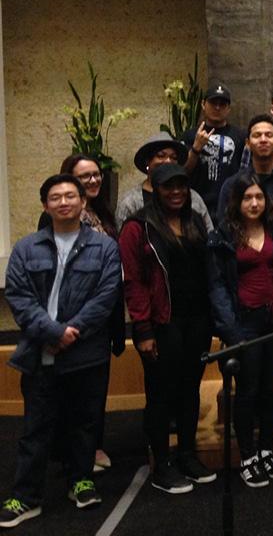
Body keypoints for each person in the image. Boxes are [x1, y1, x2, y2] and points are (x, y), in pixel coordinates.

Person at [0, 175, 122, 527]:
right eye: (56, 197)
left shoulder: (104, 248)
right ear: (45, 205)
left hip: (86, 353)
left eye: (71, 195)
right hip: (41, 352)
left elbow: (106, 297)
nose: (64, 201)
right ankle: (26, 496)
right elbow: (19, 298)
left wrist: (73, 332)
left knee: (85, 424)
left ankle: (81, 481)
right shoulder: (26, 248)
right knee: (35, 429)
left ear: (84, 203)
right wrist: (53, 331)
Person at [119, 164, 219, 494]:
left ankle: (188, 455)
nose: (176, 192)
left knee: (190, 390)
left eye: (181, 186)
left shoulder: (194, 222)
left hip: (197, 321)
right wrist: (143, 330)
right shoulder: (139, 227)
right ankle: (162, 463)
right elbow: (133, 281)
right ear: (155, 190)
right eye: (168, 187)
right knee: (161, 395)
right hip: (162, 323)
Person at [208, 173, 273, 487]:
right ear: (237, 201)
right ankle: (247, 453)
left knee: (272, 388)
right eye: (247, 198)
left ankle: (266, 449)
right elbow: (217, 286)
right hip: (243, 322)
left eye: (259, 197)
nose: (254, 203)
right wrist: (231, 329)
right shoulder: (223, 235)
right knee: (247, 390)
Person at [41, 155, 123, 475]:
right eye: (84, 176)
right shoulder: (54, 219)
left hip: (103, 316)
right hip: (69, 319)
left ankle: (91, 447)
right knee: (69, 393)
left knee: (93, 392)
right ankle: (70, 454)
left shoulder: (102, 213)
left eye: (96, 175)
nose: (93, 181)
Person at [116, 133, 214, 231]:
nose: (168, 161)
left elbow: (209, 235)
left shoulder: (193, 198)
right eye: (161, 156)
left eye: (173, 157)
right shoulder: (130, 203)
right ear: (147, 162)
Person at [217, 115, 273, 220]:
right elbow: (224, 228)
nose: (263, 140)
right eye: (257, 135)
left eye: (269, 135)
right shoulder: (232, 185)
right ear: (247, 144)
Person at [182, 82, 246, 219]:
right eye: (213, 103)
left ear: (228, 108)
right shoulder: (190, 135)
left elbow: (245, 171)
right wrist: (196, 149)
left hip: (230, 204)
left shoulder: (240, 136)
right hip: (196, 204)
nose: (217, 108)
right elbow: (183, 171)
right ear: (203, 104)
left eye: (222, 104)